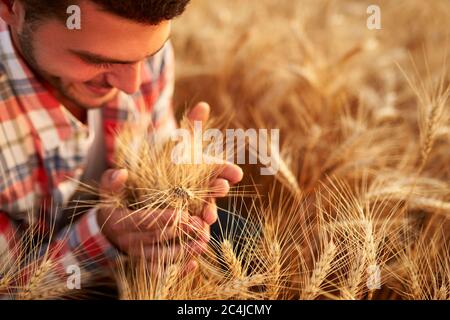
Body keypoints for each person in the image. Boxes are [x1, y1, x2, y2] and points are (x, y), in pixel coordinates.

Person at [0, 0, 243, 291]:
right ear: (11, 7)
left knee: (235, 235)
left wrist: (178, 183)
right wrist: (105, 236)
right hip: (51, 278)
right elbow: (10, 289)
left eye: (148, 55)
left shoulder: (138, 47)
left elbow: (156, 150)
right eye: (97, 60)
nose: (133, 85)